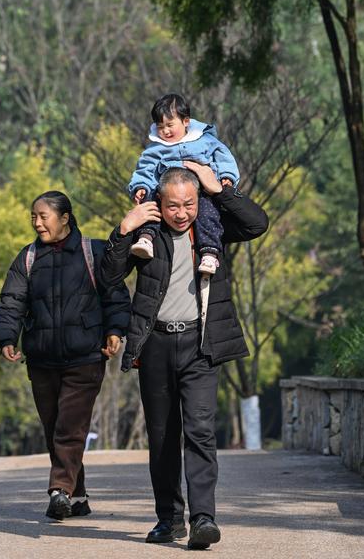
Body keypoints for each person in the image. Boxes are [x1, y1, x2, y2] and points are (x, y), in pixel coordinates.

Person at [101, 164, 268, 550]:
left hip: (200, 344)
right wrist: (124, 229)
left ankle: (204, 518)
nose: (181, 213)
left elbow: (257, 223)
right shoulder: (148, 232)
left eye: (189, 204)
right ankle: (169, 519)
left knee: (201, 432)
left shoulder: (213, 227)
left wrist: (219, 190)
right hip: (155, 344)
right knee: (162, 438)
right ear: (160, 201)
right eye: (173, 205)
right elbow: (109, 276)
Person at [0, 190, 130, 521]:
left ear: (65, 218)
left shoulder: (93, 253)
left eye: (44, 216)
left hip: (86, 355)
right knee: (54, 426)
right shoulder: (27, 258)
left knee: (70, 426)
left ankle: (59, 490)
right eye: (33, 217)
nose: (37, 223)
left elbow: (115, 295)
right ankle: (78, 496)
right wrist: (5, 337)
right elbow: (12, 300)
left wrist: (115, 331)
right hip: (41, 358)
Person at [128, 93, 239, 275]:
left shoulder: (204, 140)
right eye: (160, 127)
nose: (165, 131)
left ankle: (210, 253)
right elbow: (144, 169)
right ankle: (146, 237)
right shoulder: (155, 148)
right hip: (165, 191)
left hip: (199, 190)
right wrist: (140, 186)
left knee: (208, 211)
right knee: (149, 201)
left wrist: (226, 177)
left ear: (186, 121)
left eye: (170, 125)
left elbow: (224, 158)